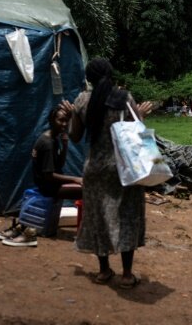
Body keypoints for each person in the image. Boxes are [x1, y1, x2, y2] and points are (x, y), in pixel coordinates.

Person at [62, 58, 152, 289]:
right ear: (111, 74)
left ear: (89, 78)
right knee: (127, 217)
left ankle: (103, 271)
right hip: (124, 169)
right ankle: (127, 274)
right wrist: (141, 115)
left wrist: (72, 115)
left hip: (95, 169)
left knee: (98, 217)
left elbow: (74, 137)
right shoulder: (125, 99)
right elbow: (136, 132)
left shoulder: (83, 100)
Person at [0, 106, 83, 247]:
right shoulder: (47, 143)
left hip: (48, 184)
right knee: (86, 191)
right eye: (61, 120)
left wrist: (65, 144)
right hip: (48, 186)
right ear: (51, 120)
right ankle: (86, 234)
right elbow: (49, 175)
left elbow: (59, 163)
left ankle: (21, 227)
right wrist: (75, 179)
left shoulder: (52, 138)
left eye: (66, 121)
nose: (64, 124)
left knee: (84, 187)